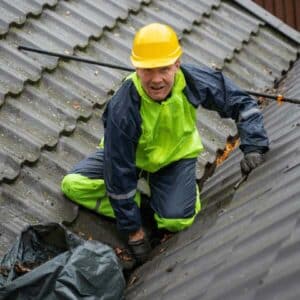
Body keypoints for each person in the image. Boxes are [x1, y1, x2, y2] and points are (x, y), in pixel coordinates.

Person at [61, 23, 269, 263]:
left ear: (177, 65)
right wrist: (134, 232)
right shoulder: (123, 107)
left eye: (164, 69)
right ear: (137, 68)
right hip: (132, 159)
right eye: (148, 70)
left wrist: (253, 144)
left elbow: (240, 102)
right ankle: (143, 208)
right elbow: (119, 171)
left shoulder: (192, 81)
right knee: (73, 184)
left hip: (174, 157)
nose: (156, 79)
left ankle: (180, 191)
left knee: (176, 220)